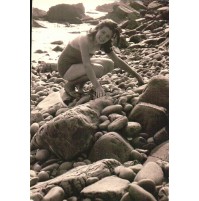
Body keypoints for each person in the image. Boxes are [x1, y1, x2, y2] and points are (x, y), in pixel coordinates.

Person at [58, 19, 144, 98]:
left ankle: (80, 85)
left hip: (78, 65)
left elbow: (117, 61)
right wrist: (97, 86)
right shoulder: (84, 39)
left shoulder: (103, 44)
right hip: (66, 69)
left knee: (110, 64)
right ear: (97, 29)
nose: (103, 37)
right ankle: (70, 85)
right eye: (103, 32)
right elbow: (87, 65)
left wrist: (137, 76)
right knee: (98, 69)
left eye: (107, 36)